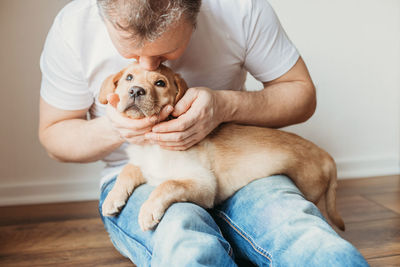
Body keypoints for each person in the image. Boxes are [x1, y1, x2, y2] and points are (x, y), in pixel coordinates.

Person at [38, 0, 368, 266]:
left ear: (197, 13)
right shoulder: (73, 26)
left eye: (166, 55)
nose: (147, 68)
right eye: (129, 57)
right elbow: (54, 136)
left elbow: (302, 94)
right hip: (141, 177)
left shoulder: (241, 8)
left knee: (304, 235)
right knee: (185, 244)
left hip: (238, 166)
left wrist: (226, 106)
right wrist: (114, 127)